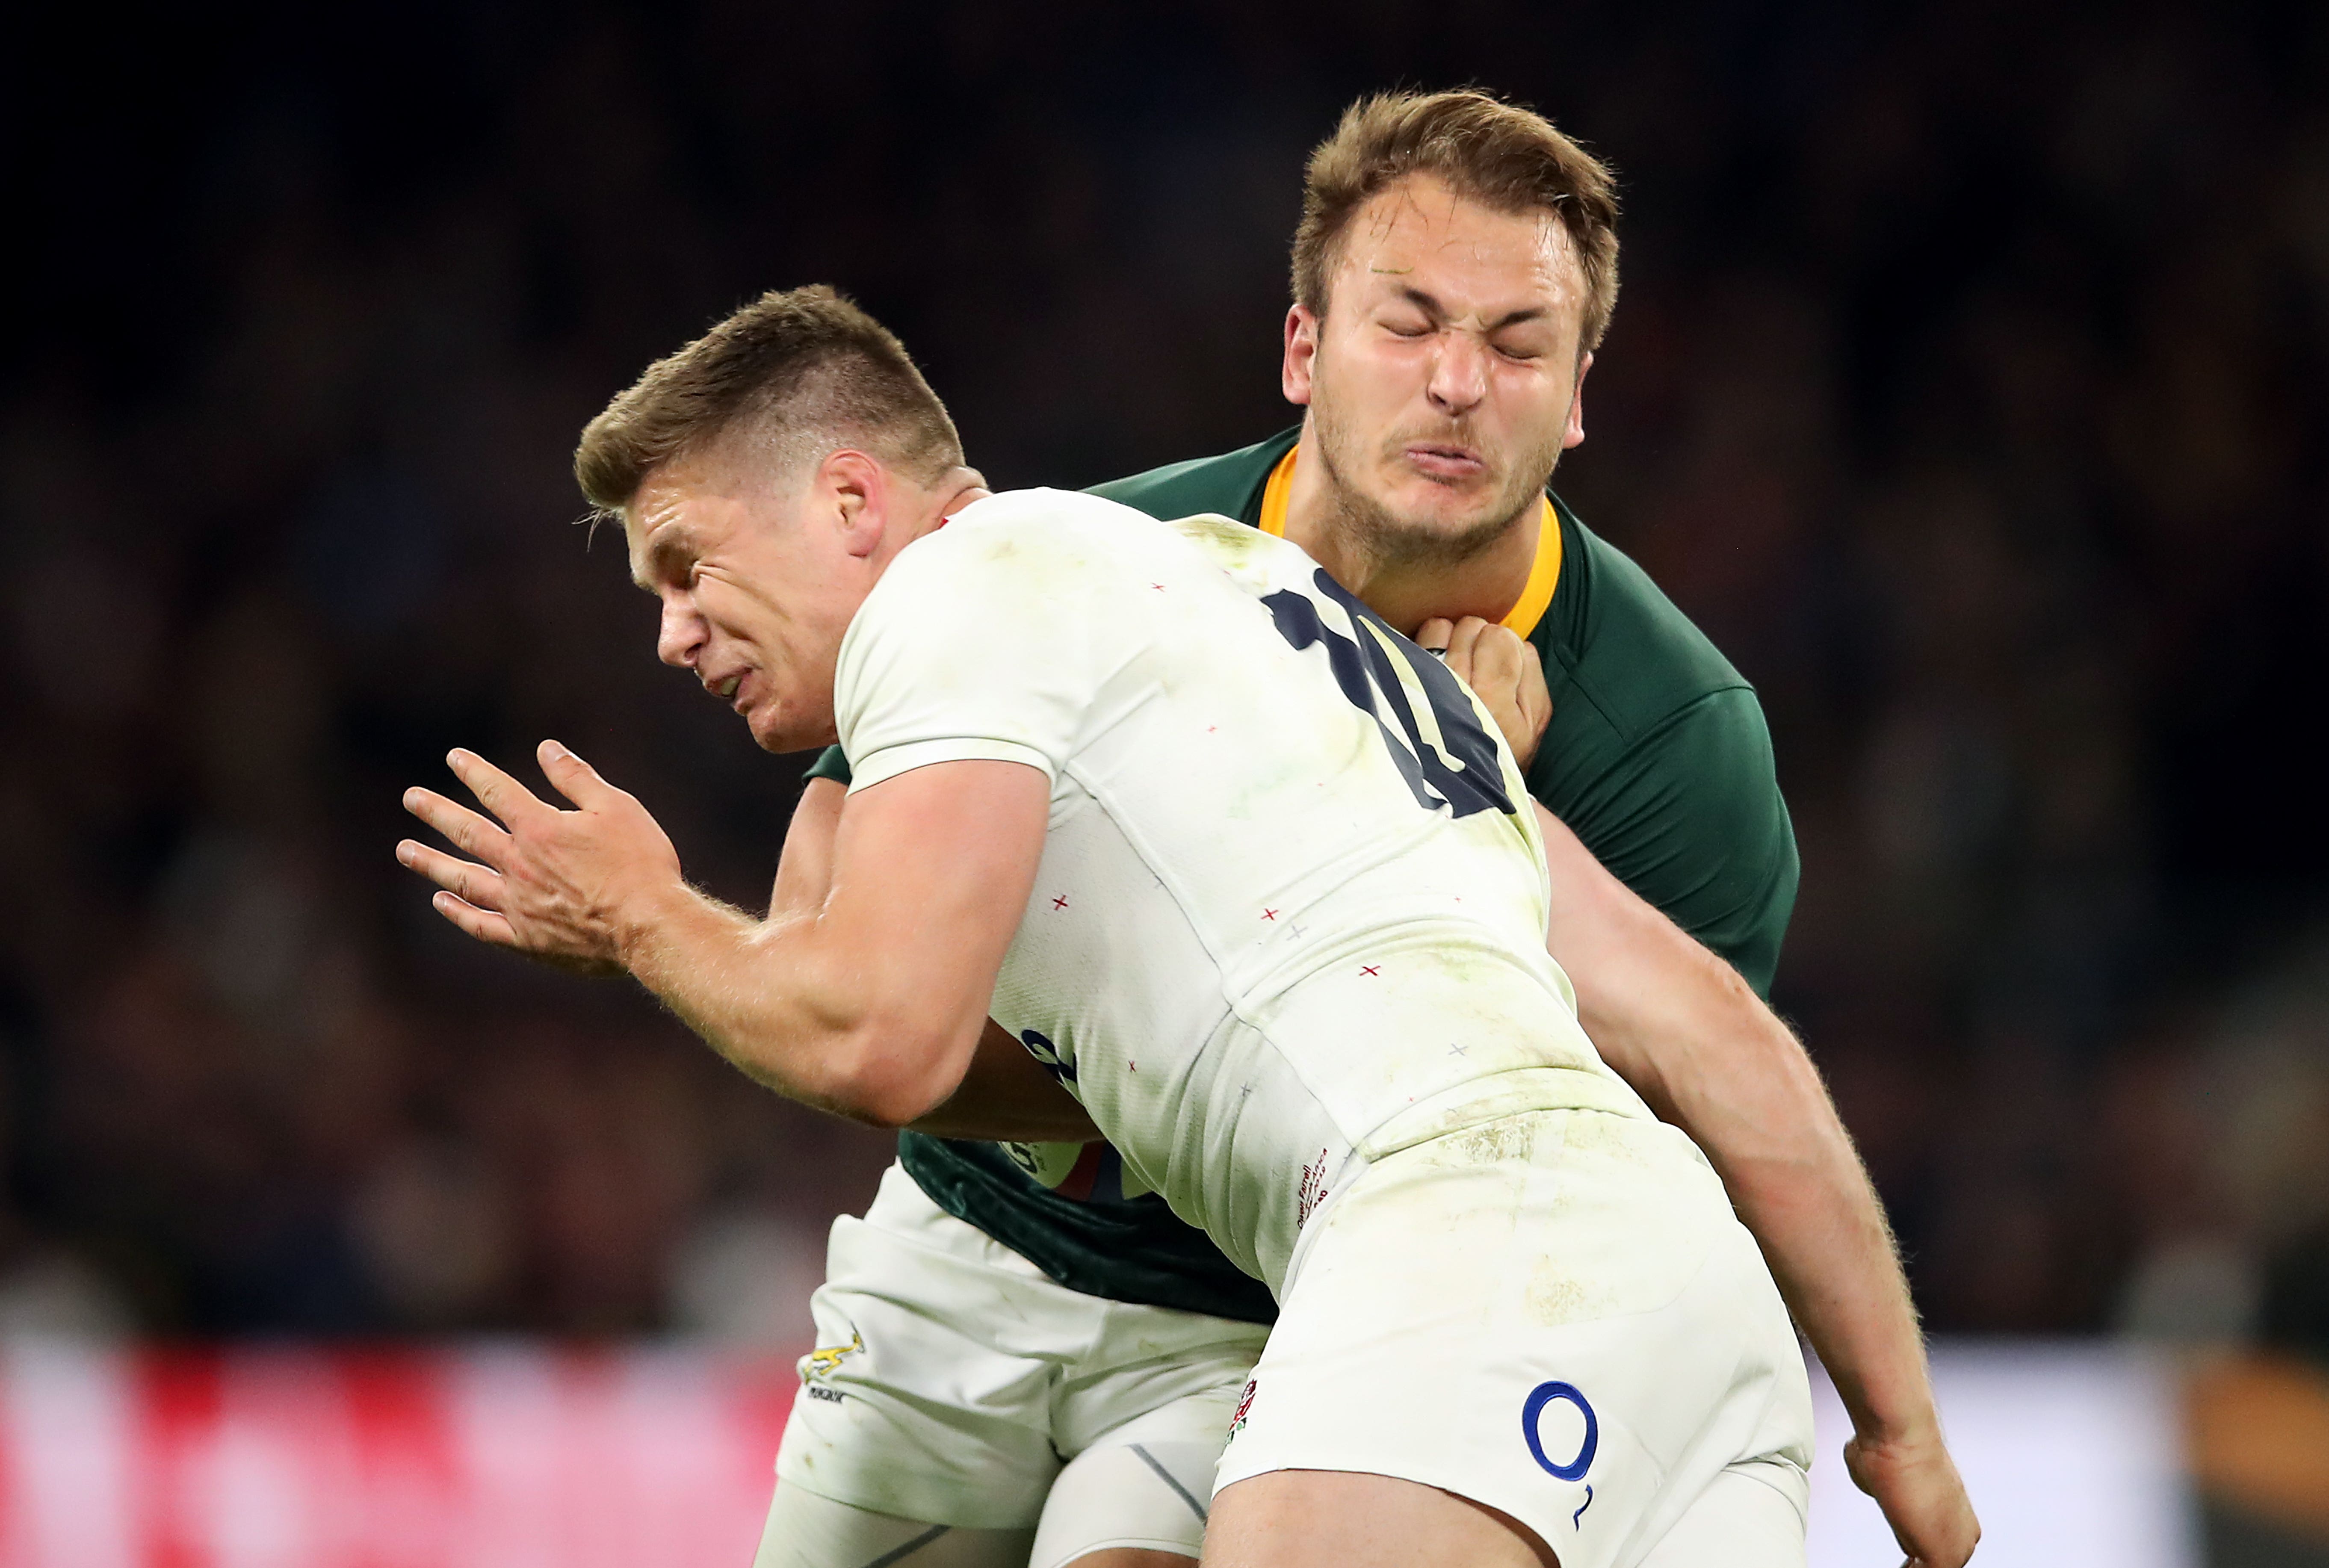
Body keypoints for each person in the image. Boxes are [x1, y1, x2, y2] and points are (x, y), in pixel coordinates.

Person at [398, 280, 1818, 1567]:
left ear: (848, 500)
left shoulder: (1056, 584)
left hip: (1238, 1303)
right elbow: (831, 978)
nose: (670, 635)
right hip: (966, 1255)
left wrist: (649, 918)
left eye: (684, 568)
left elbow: (870, 1029)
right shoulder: (992, 628)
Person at [758, 92, 1976, 1568]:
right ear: (1302, 350)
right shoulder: (1106, 556)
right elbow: (823, 912)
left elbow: (1564, 1149)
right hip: (970, 1242)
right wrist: (1140, 1073)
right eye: (1407, 324)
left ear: (1580, 391)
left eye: (1519, 344)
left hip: (1289, 1314)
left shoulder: (1671, 743)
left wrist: (1475, 817)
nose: (1458, 382)